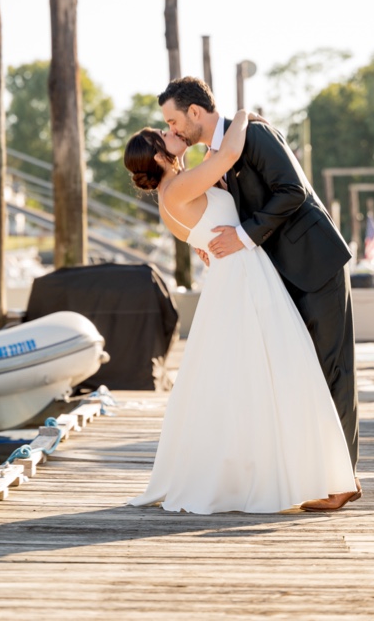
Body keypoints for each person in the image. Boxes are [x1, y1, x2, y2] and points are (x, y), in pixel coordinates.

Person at [120, 94, 356, 514]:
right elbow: (228, 151)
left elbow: (219, 211)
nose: (171, 131)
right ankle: (306, 472)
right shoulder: (180, 185)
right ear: (158, 158)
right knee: (278, 372)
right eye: (164, 132)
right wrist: (244, 114)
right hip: (245, 279)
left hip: (249, 275)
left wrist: (209, 240)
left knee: (267, 373)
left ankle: (322, 472)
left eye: (171, 123)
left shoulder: (181, 188)